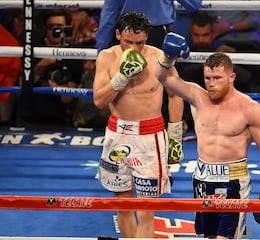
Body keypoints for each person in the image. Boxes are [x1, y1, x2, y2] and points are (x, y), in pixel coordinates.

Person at [155, 33, 260, 239]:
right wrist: (167, 57)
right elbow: (163, 76)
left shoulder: (249, 108)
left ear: (232, 77)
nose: (211, 84)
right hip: (202, 179)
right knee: (208, 237)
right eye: (208, 78)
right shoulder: (197, 96)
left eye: (218, 78)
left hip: (234, 182)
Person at [92, 12, 185, 238]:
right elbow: (99, 101)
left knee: (146, 210)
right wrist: (121, 77)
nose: (134, 49)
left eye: (140, 43)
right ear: (117, 35)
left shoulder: (160, 59)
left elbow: (176, 96)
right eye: (128, 42)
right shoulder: (106, 57)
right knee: (122, 207)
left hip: (150, 137)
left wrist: (175, 138)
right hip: (118, 133)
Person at [96, 0, 202, 53]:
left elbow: (108, 18)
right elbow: (194, 4)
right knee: (160, 85)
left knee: (126, 88)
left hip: (127, 36)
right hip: (157, 35)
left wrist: (102, 54)